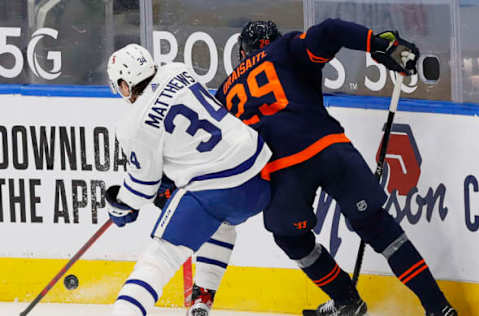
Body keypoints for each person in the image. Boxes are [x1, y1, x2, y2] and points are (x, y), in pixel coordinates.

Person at [207, 20, 455, 316]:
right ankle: (438, 308)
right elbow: (330, 31)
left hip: (284, 171)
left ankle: (346, 301)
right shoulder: (286, 49)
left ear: (242, 52)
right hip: (329, 148)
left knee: (291, 237)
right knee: (376, 225)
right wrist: (380, 44)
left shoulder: (225, 92)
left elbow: (217, 146)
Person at [104, 43, 272, 316]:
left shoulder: (131, 126)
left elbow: (143, 189)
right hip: (259, 171)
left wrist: (120, 205)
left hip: (217, 185)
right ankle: (201, 301)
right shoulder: (178, 70)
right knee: (221, 224)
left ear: (125, 85)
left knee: (159, 258)